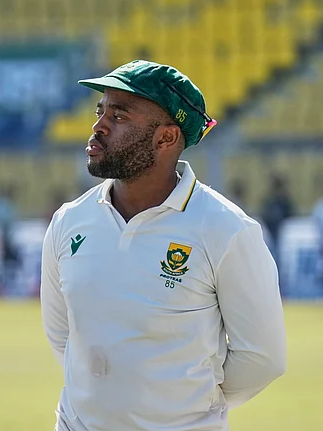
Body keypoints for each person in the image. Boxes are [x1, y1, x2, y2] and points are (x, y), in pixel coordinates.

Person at [40, 60, 286, 431]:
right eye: (99, 111)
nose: (99, 126)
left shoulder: (226, 229)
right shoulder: (69, 221)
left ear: (166, 138)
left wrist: (186, 408)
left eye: (119, 116)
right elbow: (62, 337)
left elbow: (262, 358)